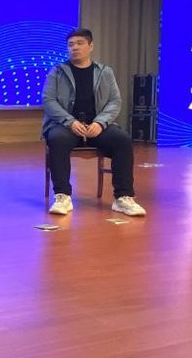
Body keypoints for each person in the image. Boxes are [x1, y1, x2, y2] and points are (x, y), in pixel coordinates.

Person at [42, 28, 146, 217]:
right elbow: (48, 100)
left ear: (91, 46)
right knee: (57, 139)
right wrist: (69, 121)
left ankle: (123, 198)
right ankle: (63, 196)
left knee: (122, 140)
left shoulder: (105, 72)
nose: (74, 48)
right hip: (66, 126)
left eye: (79, 43)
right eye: (71, 45)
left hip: (96, 126)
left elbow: (115, 101)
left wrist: (100, 123)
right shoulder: (57, 72)